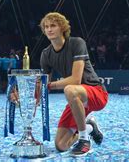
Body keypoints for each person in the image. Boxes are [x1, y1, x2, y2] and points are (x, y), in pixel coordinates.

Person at [30, 12, 108, 156]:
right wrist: (32, 99)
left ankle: (84, 139)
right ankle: (89, 127)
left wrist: (49, 85)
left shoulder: (77, 43)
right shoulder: (45, 54)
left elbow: (76, 80)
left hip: (96, 93)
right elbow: (43, 83)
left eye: (53, 26)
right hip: (75, 98)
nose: (49, 29)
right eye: (46, 27)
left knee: (70, 89)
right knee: (61, 145)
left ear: (63, 28)